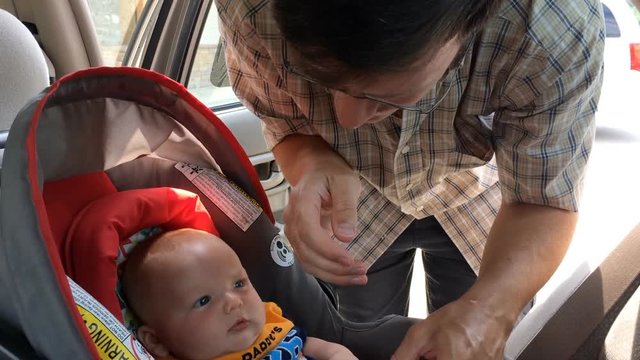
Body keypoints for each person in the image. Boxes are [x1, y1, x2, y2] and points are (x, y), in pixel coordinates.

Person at [215, 0, 605, 358]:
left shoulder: (550, 29)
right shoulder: (250, 9)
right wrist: (310, 159)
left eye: (384, 97)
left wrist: (490, 310)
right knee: (353, 337)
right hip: (357, 210)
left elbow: (541, 198)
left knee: (472, 339)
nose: (346, 119)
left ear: (471, 22)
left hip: (487, 206)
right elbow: (281, 118)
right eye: (320, 80)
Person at [120, 228, 357, 360]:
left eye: (239, 284)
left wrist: (337, 354)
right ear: (157, 341)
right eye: (204, 301)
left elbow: (315, 346)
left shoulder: (270, 325)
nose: (234, 302)